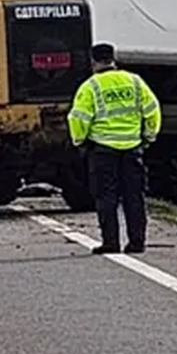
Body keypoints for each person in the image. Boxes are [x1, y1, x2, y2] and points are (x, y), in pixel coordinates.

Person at [67, 42, 161, 255]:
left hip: (102, 150)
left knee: (106, 198)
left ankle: (111, 242)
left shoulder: (90, 87)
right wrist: (148, 137)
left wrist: (80, 141)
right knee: (134, 197)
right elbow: (152, 110)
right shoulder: (135, 82)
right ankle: (137, 242)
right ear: (113, 59)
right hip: (133, 148)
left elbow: (78, 118)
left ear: (93, 62)